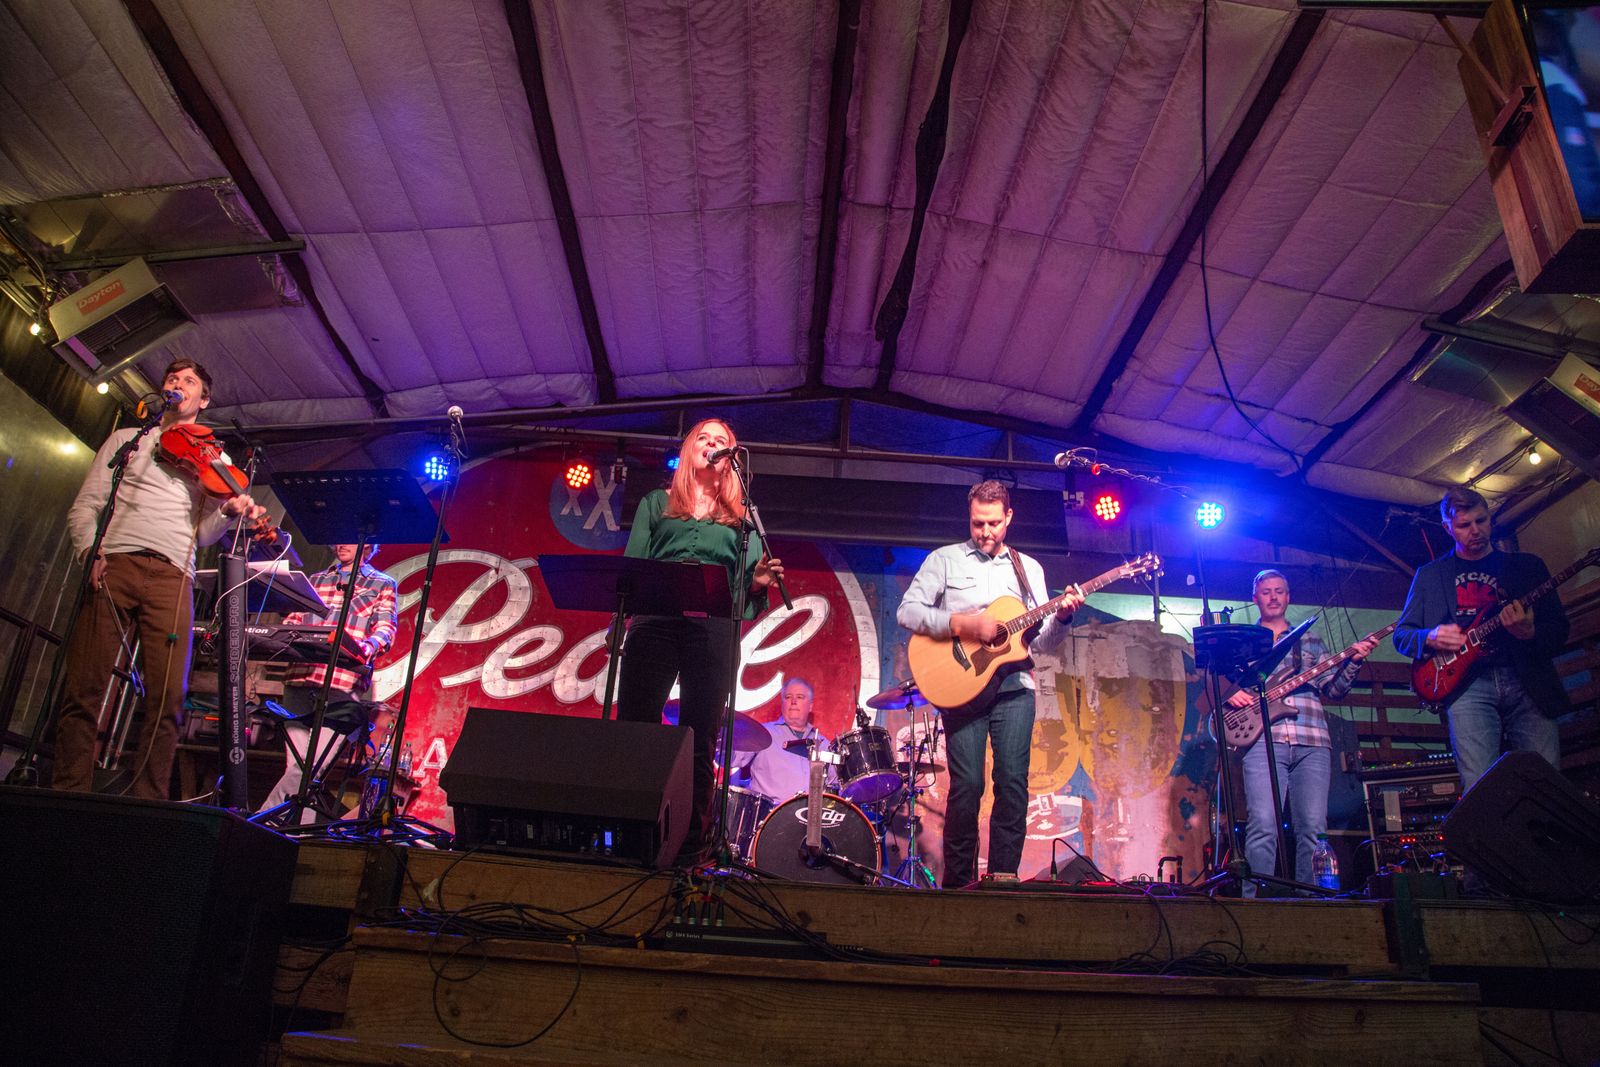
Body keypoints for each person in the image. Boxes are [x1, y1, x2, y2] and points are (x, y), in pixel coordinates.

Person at [56, 357, 264, 798]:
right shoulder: (128, 440)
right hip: (116, 562)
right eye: (173, 378)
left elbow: (203, 532)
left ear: (203, 400)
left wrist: (228, 512)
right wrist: (89, 552)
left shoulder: (216, 459)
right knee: (84, 685)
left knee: (168, 697)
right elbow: (87, 505)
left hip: (173, 575)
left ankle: (147, 801)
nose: (178, 384)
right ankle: (67, 791)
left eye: (189, 381)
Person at [616, 418, 785, 865]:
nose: (711, 445)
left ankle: (691, 847)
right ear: (690, 450)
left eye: (721, 441)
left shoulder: (743, 518)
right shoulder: (657, 503)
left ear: (730, 458)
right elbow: (633, 567)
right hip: (656, 620)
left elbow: (743, 592)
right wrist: (625, 615)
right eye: (703, 439)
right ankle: (632, 839)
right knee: (635, 726)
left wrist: (757, 582)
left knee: (699, 738)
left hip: (712, 627)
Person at [896, 479, 1080, 887]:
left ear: (1008, 517)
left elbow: (1040, 643)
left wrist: (1064, 617)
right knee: (968, 787)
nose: (985, 532)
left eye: (994, 523)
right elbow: (907, 612)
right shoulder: (945, 560)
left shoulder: (1028, 568)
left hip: (1015, 687)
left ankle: (1002, 880)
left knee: (1012, 783)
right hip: (962, 689)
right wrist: (965, 624)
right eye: (978, 523)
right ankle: (959, 885)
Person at [1393, 487, 1570, 794]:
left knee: (1545, 781)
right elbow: (1402, 636)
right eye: (1464, 525)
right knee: (1478, 786)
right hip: (1467, 686)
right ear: (1448, 528)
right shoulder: (1430, 576)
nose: (1475, 530)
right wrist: (1430, 636)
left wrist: (1529, 633)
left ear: (1490, 518)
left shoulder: (1526, 566)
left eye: (1481, 521)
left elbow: (1559, 628)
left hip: (1527, 678)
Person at [1225, 569, 1376, 896]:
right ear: (1255, 598)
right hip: (1263, 740)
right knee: (1263, 825)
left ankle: (1311, 901)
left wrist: (1353, 661)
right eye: (1267, 591)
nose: (1274, 597)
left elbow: (1334, 690)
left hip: (1313, 740)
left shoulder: (1310, 639)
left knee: (1313, 828)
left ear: (1288, 596)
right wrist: (1231, 692)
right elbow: (1226, 685)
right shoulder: (1245, 642)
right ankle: (1254, 902)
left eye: (1279, 591)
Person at [259, 542, 399, 821]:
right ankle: (296, 836)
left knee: (311, 766)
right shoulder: (315, 580)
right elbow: (295, 621)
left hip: (341, 683)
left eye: (349, 539)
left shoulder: (381, 583)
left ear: (368, 545)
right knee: (301, 769)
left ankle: (263, 820)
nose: (341, 544)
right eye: (338, 539)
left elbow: (386, 628)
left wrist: (367, 646)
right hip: (301, 677)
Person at [733, 676, 835, 804]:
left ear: (810, 706)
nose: (793, 701)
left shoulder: (824, 744)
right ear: (783, 703)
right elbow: (731, 758)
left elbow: (837, 785)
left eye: (800, 697)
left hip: (812, 814)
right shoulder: (761, 733)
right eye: (788, 697)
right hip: (770, 813)